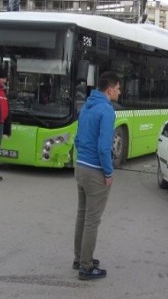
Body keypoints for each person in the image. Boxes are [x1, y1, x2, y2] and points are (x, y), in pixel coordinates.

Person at [73, 71, 121, 281]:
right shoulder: (107, 110)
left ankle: (79, 258)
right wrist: (108, 172)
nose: (119, 91)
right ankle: (86, 266)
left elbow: (77, 138)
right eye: (118, 88)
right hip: (95, 171)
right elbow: (104, 148)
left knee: (82, 215)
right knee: (93, 220)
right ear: (109, 89)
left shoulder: (86, 106)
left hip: (81, 166)